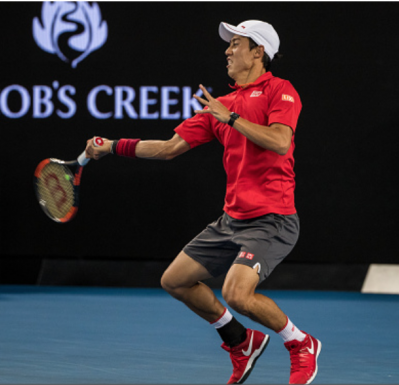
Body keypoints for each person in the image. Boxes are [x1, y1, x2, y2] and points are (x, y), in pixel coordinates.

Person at [85, 19, 321, 385]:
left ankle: (301, 343)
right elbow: (167, 149)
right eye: (228, 45)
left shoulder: (280, 90)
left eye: (236, 44)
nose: (227, 50)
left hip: (272, 218)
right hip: (232, 220)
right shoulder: (220, 105)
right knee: (175, 281)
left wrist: (232, 118)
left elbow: (279, 142)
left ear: (258, 52)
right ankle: (240, 341)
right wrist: (113, 146)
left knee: (236, 293)